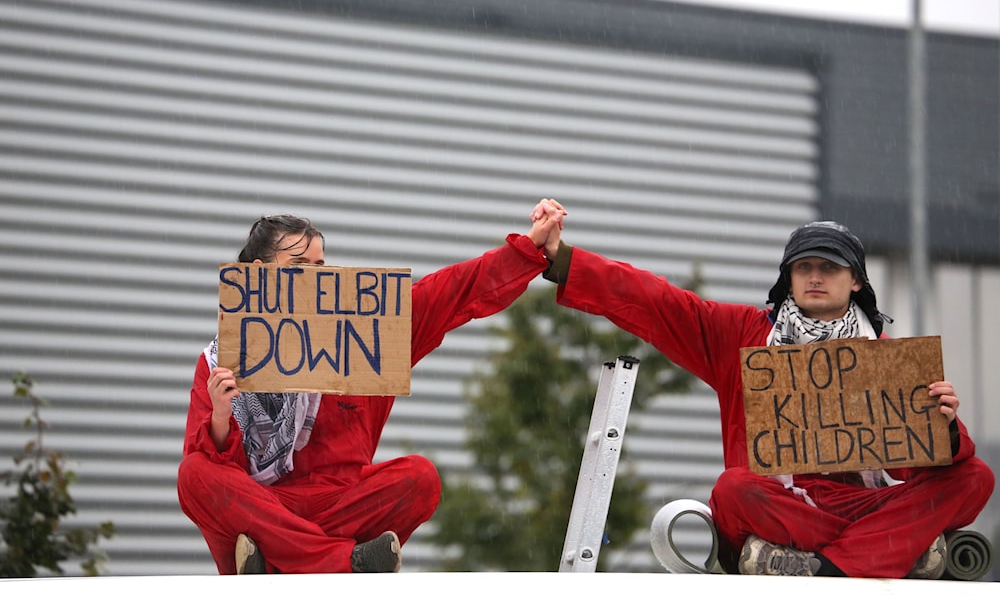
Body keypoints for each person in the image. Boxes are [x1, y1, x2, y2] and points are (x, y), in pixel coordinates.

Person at [535, 210, 994, 579]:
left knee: (975, 476)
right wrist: (563, 259)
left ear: (855, 281)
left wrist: (946, 428)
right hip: (784, 507)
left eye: (829, 267)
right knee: (733, 489)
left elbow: (912, 466)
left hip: (860, 506)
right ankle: (891, 552)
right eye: (804, 267)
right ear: (788, 279)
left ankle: (824, 568)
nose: (815, 276)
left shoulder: (887, 357)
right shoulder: (742, 336)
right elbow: (655, 300)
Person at [178, 200, 566, 574]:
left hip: (335, 511)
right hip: (263, 510)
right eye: (299, 265)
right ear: (259, 274)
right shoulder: (221, 362)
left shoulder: (367, 332)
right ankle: (338, 563)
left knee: (419, 478)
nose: (315, 276)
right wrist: (223, 415)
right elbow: (211, 478)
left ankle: (284, 561)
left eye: (320, 266)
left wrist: (528, 248)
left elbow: (452, 291)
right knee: (194, 473)